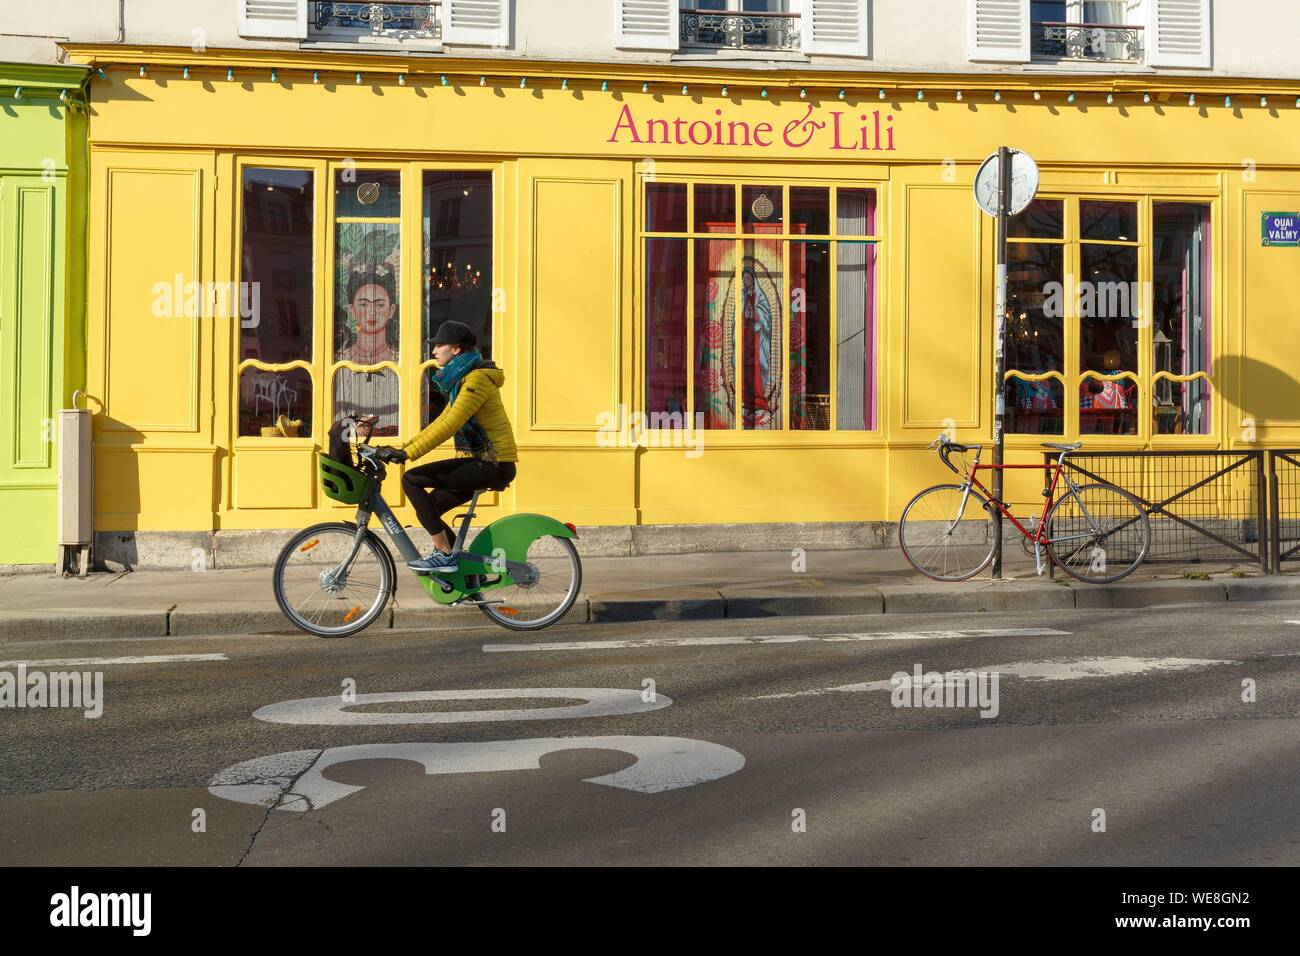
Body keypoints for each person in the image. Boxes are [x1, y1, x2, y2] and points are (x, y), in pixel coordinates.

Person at [376, 320, 517, 573]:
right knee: (430, 508)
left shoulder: (477, 379)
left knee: (411, 479)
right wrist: (401, 447)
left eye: (439, 345)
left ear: (457, 349)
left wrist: (408, 454)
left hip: (493, 462)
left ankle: (444, 554)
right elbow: (441, 421)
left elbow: (451, 424)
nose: (434, 351)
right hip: (484, 460)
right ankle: (463, 572)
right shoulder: (462, 381)